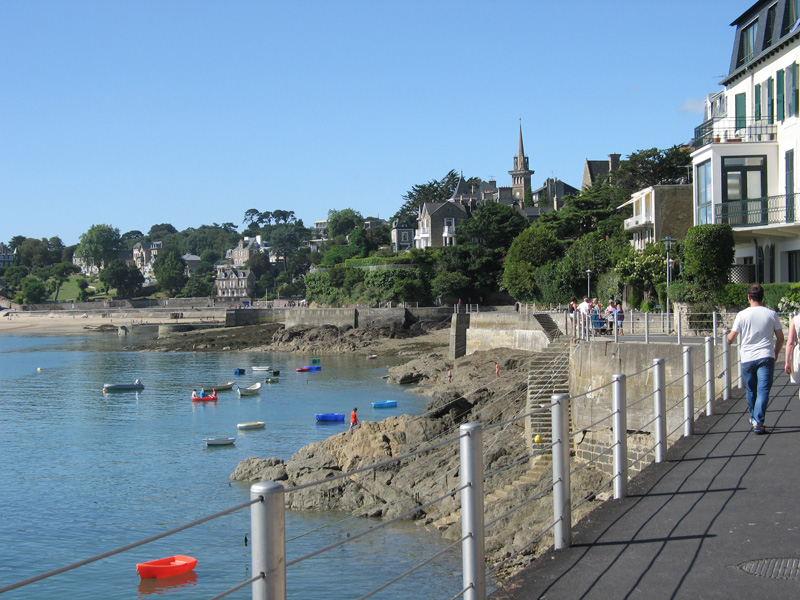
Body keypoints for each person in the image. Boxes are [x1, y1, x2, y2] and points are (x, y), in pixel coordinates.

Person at [727, 283, 784, 435]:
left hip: (747, 357)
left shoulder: (742, 315)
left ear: (748, 297)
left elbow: (731, 338)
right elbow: (780, 338)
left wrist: (727, 338)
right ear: (762, 296)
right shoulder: (771, 314)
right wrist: (776, 352)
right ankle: (757, 421)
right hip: (766, 355)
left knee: (751, 389)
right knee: (763, 389)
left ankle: (754, 419)